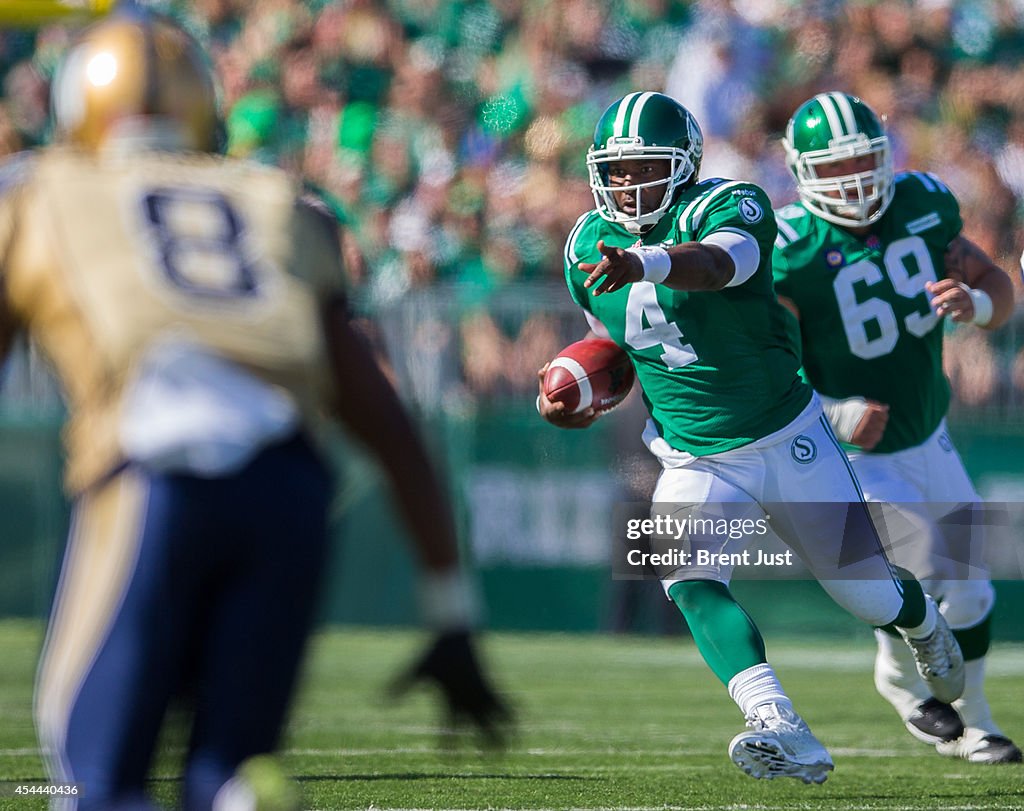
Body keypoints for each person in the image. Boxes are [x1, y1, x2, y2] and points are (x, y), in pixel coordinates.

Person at [0, 11, 508, 811]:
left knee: (92, 775)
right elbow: (386, 421)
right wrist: (450, 609)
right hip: (291, 491)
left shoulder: (39, 190)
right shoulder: (280, 201)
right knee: (226, 771)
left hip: (156, 476)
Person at [538, 90, 966, 783]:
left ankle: (922, 622)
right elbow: (614, 339)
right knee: (686, 576)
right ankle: (779, 723)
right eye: (615, 171)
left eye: (645, 167)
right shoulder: (586, 242)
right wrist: (576, 388)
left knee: (866, 595)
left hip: (785, 435)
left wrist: (647, 262)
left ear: (683, 166)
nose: (628, 183)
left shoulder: (726, 203)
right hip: (693, 450)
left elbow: (720, 263)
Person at [772, 91, 1020, 764]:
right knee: (913, 557)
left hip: (927, 431)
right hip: (849, 448)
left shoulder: (922, 204)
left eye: (863, 160)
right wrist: (833, 412)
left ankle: (976, 717)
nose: (854, 180)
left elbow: (997, 283)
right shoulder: (790, 250)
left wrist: (975, 303)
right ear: (800, 173)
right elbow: (765, 370)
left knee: (972, 586)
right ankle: (900, 677)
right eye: (835, 167)